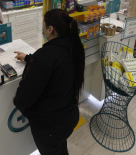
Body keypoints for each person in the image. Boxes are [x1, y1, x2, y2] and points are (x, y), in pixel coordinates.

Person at [13, 9, 85, 155]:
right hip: (68, 117)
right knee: (59, 149)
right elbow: (56, 66)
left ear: (50, 29)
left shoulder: (44, 57)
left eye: (44, 25)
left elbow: (23, 98)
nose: (43, 28)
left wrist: (19, 103)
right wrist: (28, 58)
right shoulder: (73, 47)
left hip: (50, 126)